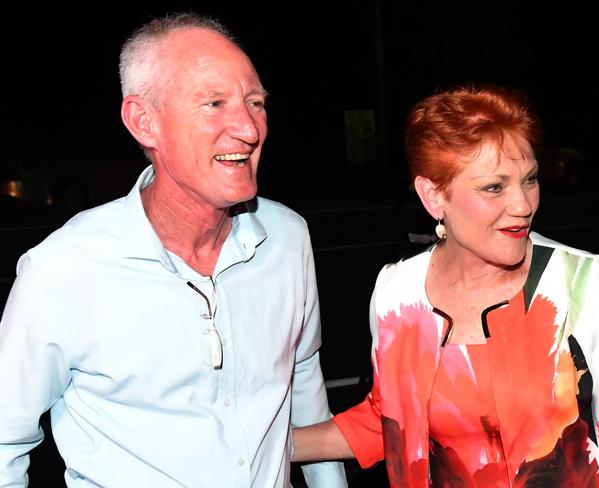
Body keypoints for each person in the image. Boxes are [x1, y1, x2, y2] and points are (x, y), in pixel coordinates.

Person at [0, 13, 347, 488]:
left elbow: (303, 379)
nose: (248, 128)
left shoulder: (287, 239)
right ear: (145, 122)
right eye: (214, 103)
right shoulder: (63, 270)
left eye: (255, 102)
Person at [292, 85, 599, 486]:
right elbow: (392, 418)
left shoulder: (580, 283)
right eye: (494, 187)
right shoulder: (398, 294)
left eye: (529, 180)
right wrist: (269, 445)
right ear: (433, 196)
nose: (523, 205)